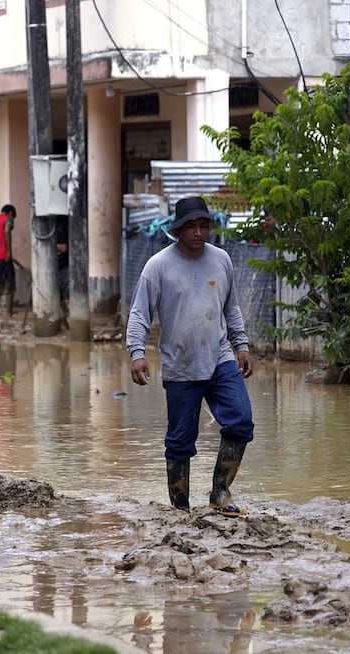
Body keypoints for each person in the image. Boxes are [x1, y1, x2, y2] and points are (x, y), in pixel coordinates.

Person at [126, 195, 254, 515]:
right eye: (191, 227)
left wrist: (241, 345)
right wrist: (137, 352)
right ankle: (180, 509)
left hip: (220, 356)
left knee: (240, 421)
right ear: (178, 230)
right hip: (180, 364)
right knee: (180, 442)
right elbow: (140, 314)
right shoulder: (158, 266)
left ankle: (220, 493)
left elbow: (231, 307)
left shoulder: (221, 259)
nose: (198, 233)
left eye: (203, 226)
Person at [54, 215, 69, 327]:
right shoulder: (56, 227)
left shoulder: (60, 228)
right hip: (57, 267)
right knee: (59, 298)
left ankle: (68, 323)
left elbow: (64, 248)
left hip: (64, 266)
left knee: (66, 297)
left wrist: (51, 245)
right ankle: (65, 324)